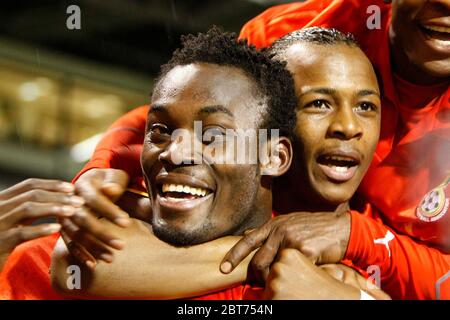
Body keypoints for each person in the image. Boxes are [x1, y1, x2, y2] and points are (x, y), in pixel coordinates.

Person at [67, 0, 449, 299]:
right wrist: (107, 162)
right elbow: (194, 107)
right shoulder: (299, 29)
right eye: (318, 103)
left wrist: (359, 250)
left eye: (367, 106)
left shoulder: (359, 263)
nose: (348, 127)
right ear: (274, 150)